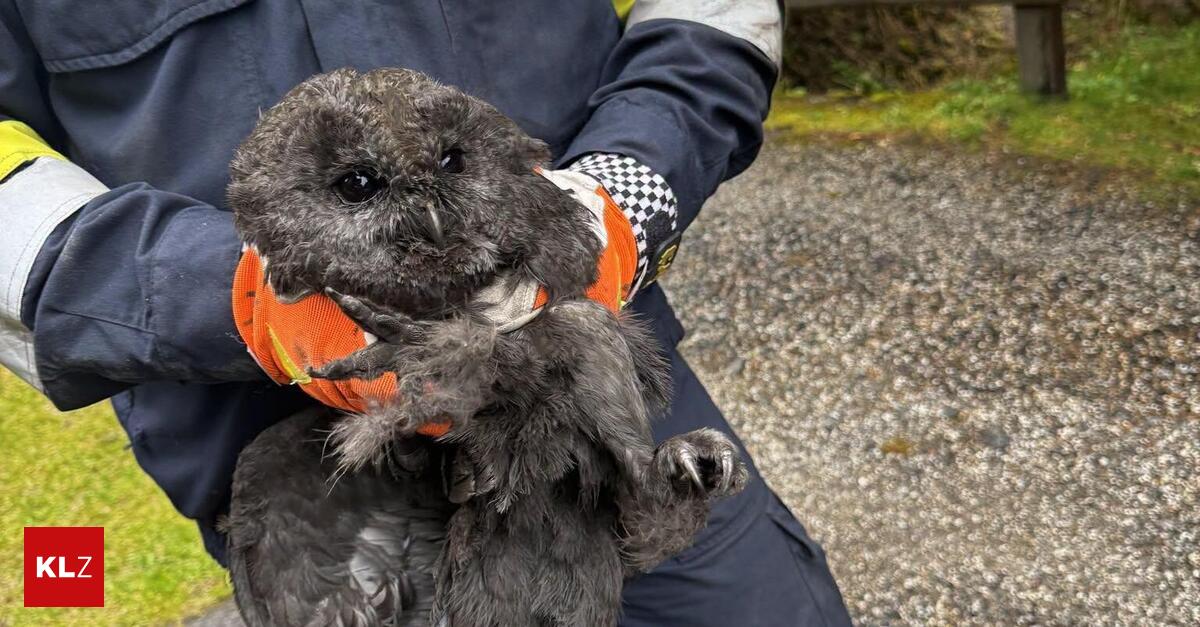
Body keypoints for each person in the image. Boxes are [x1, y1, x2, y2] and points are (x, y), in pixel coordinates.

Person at [0, 1, 852, 624]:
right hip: (296, 476)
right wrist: (224, 296)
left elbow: (715, 12)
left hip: (596, 408)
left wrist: (627, 193)